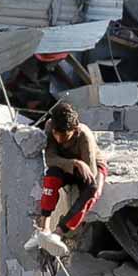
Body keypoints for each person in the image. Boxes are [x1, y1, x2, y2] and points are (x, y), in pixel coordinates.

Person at [26, 103, 108, 257]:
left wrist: (81, 165)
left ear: (74, 130)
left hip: (90, 167)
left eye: (64, 136)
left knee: (92, 190)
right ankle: (44, 229)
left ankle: (58, 233)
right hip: (68, 164)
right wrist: (74, 163)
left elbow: (90, 174)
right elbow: (50, 159)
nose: (58, 139)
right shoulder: (51, 127)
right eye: (56, 134)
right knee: (52, 176)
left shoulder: (84, 135)